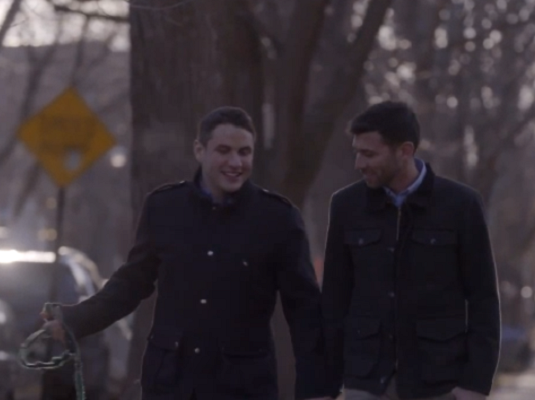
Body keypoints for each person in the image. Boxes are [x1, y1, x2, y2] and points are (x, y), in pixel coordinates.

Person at [41, 107, 334, 400]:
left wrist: (317, 389)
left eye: (244, 152)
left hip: (242, 386)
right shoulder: (164, 207)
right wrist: (75, 320)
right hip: (171, 383)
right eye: (223, 151)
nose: (235, 162)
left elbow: (304, 308)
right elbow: (131, 283)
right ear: (199, 150)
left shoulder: (278, 219)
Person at [322, 101, 501, 400]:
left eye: (369, 154)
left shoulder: (461, 205)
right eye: (357, 152)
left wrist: (475, 384)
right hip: (365, 381)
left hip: (438, 382)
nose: (359, 164)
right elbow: (333, 301)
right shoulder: (346, 206)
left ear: (404, 151)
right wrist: (323, 385)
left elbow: (483, 299)